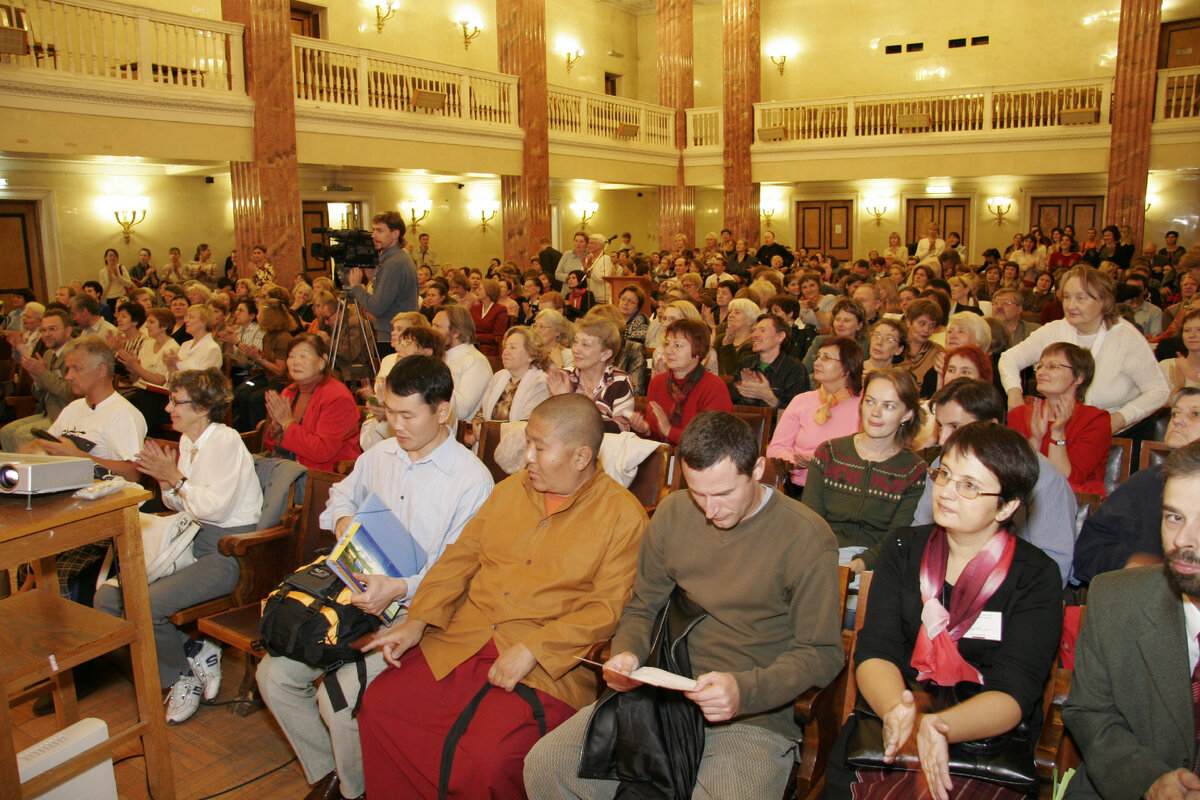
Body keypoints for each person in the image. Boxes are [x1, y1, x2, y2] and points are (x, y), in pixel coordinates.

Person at [524, 410, 844, 799]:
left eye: (724, 494)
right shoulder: (675, 512)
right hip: (667, 691)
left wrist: (745, 691)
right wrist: (628, 652)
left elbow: (823, 653)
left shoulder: (806, 537)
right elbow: (644, 606)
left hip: (751, 711)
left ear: (758, 469)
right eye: (698, 493)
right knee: (547, 766)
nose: (710, 511)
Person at [356, 394, 648, 799]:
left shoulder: (622, 515)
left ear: (581, 457)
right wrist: (417, 622)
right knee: (381, 705)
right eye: (528, 441)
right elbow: (460, 559)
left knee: (486, 758)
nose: (526, 456)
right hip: (464, 639)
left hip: (545, 664)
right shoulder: (510, 491)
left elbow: (607, 607)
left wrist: (534, 647)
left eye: (539, 447)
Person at [258, 356, 493, 800]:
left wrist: (401, 588)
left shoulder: (470, 481)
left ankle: (356, 791)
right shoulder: (381, 454)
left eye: (408, 415)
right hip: (356, 596)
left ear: (442, 411)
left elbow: (458, 572)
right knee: (274, 677)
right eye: (389, 412)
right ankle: (334, 776)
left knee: (340, 699)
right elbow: (342, 492)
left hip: (416, 614)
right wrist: (345, 519)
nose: (396, 425)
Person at [822, 422, 1062, 800]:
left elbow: (1015, 691)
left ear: (1008, 505)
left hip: (985, 740)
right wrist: (896, 712)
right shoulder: (903, 548)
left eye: (969, 486)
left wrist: (938, 727)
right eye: (945, 474)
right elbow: (875, 651)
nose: (947, 491)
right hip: (895, 716)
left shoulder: (1035, 576)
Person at [92, 368, 261, 724]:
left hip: (229, 552)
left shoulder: (224, 440)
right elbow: (177, 503)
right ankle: (194, 651)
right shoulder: (188, 441)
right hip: (190, 539)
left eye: (176, 401)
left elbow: (216, 508)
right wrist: (167, 481)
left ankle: (180, 677)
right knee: (108, 599)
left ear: (202, 407)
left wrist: (173, 479)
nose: (168, 409)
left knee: (147, 604)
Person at [1061, 439, 1200, 800]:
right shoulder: (1116, 598)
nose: (1183, 539)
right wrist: (1149, 781)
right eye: (1174, 517)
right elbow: (1090, 712)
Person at [916, 378, 1077, 587]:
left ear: (991, 425)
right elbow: (920, 532)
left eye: (955, 426)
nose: (943, 440)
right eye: (940, 426)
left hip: (1011, 591)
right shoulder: (941, 464)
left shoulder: (1045, 479)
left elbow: (1055, 568)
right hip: (939, 579)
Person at [999, 265, 1169, 435]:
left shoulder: (1126, 336)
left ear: (1103, 301)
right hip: (1063, 427)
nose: (1071, 305)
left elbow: (1158, 391)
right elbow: (1009, 359)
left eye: (1081, 298)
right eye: (1066, 297)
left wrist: (1119, 419)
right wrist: (1014, 394)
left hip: (1120, 433)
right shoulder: (1054, 330)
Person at [1071, 387, 1200, 584]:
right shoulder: (1144, 484)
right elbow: (1088, 552)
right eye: (1175, 413)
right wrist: (1129, 564)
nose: (1178, 420)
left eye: (1196, 414)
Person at [802, 369, 927, 569]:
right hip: (823, 557)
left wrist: (860, 565)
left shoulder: (914, 471)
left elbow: (898, 536)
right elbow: (810, 520)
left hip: (877, 567)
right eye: (870, 402)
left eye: (889, 406)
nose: (875, 413)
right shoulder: (830, 453)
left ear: (907, 414)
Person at [1007, 343, 1110, 497]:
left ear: (1079, 377)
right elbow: (1018, 474)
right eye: (1040, 366)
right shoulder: (1020, 415)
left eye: (1052, 367)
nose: (1041, 372)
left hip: (1076, 505)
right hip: (1028, 501)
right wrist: (1035, 439)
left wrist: (1057, 433)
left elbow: (1066, 478)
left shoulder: (1095, 420)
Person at [767, 336, 864, 496]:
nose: (817, 362)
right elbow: (776, 449)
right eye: (818, 356)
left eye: (826, 358)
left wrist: (822, 461)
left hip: (846, 490)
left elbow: (867, 455)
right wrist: (795, 460)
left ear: (847, 368)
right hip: (800, 488)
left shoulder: (864, 405)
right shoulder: (802, 400)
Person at [261, 333, 362, 472]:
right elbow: (272, 447)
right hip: (287, 469)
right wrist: (276, 428)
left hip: (323, 477)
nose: (295, 361)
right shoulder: (289, 392)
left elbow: (322, 451)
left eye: (303, 356)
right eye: (291, 356)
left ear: (322, 361)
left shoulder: (337, 396)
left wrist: (287, 424)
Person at [628, 319, 731, 444]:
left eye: (678, 345)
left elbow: (711, 440)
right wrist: (645, 430)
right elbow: (656, 435)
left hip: (701, 460)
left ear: (699, 351)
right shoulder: (658, 382)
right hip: (664, 457)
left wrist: (670, 431)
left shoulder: (714, 386)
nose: (669, 351)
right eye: (667, 344)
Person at [0, 307, 75, 451]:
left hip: (64, 415)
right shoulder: (48, 354)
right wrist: (37, 380)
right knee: (6, 433)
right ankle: (12, 472)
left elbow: (70, 393)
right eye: (43, 330)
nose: (46, 334)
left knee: (22, 435)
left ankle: (29, 472)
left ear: (68, 331)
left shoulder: (76, 353)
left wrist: (42, 373)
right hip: (46, 412)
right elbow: (40, 396)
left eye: (52, 329)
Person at [347, 211, 418, 356]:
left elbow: (377, 308)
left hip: (393, 336)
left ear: (395, 233)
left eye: (379, 230)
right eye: (373, 230)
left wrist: (356, 287)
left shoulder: (394, 263)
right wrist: (375, 279)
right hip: (397, 333)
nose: (373, 235)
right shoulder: (397, 258)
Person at [546, 315, 634, 433]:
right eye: (576, 342)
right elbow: (550, 425)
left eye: (586, 345)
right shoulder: (564, 377)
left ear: (605, 354)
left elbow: (622, 430)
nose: (576, 349)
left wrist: (583, 409)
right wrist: (561, 400)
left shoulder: (619, 382)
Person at [729, 312, 809, 411]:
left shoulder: (795, 369)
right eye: (755, 331)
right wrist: (749, 397)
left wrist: (769, 397)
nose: (754, 335)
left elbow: (797, 413)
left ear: (780, 336)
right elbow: (732, 404)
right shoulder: (746, 363)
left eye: (762, 331)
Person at [475, 326, 551, 424]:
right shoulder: (499, 376)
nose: (505, 352)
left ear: (531, 355)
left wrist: (487, 432)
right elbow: (482, 413)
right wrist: (476, 427)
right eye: (505, 347)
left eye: (512, 347)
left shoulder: (540, 383)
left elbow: (527, 426)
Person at [432, 305, 493, 423]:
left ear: (455, 332)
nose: (431, 330)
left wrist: (435, 376)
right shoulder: (443, 357)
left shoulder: (475, 361)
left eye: (437, 326)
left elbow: (462, 411)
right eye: (432, 324)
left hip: (460, 434)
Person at [716, 297, 761, 375]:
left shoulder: (754, 345)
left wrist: (727, 346)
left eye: (737, 312)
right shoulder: (721, 339)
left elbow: (737, 374)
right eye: (730, 312)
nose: (730, 315)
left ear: (750, 320)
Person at [470, 278, 510, 356]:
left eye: (480, 289)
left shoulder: (500, 309)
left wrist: (475, 337)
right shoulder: (475, 308)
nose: (477, 291)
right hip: (473, 345)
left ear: (489, 291)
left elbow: (498, 336)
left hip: (490, 348)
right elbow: (469, 328)